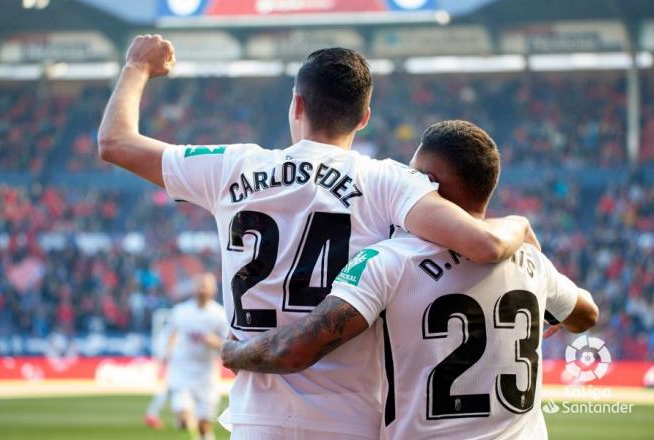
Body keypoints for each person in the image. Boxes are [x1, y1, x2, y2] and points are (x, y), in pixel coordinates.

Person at [98, 35, 536, 439]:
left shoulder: (230, 167)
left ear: (297, 104)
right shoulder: (386, 180)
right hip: (352, 419)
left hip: (257, 419)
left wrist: (137, 66)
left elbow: (115, 142)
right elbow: (484, 244)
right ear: (364, 117)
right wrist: (521, 225)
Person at [221, 121, 599, 439]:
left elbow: (296, 349)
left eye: (413, 174)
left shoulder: (389, 260)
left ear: (428, 183)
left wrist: (235, 353)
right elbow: (586, 315)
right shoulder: (531, 260)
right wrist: (554, 315)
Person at [162, 273, 228, 440]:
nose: (202, 289)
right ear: (194, 288)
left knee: (204, 426)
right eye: (200, 285)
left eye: (206, 286)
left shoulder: (219, 314)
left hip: (206, 373)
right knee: (184, 418)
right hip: (183, 370)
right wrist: (167, 351)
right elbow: (170, 332)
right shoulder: (181, 311)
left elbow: (229, 343)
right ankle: (185, 421)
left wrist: (214, 342)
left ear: (213, 290)